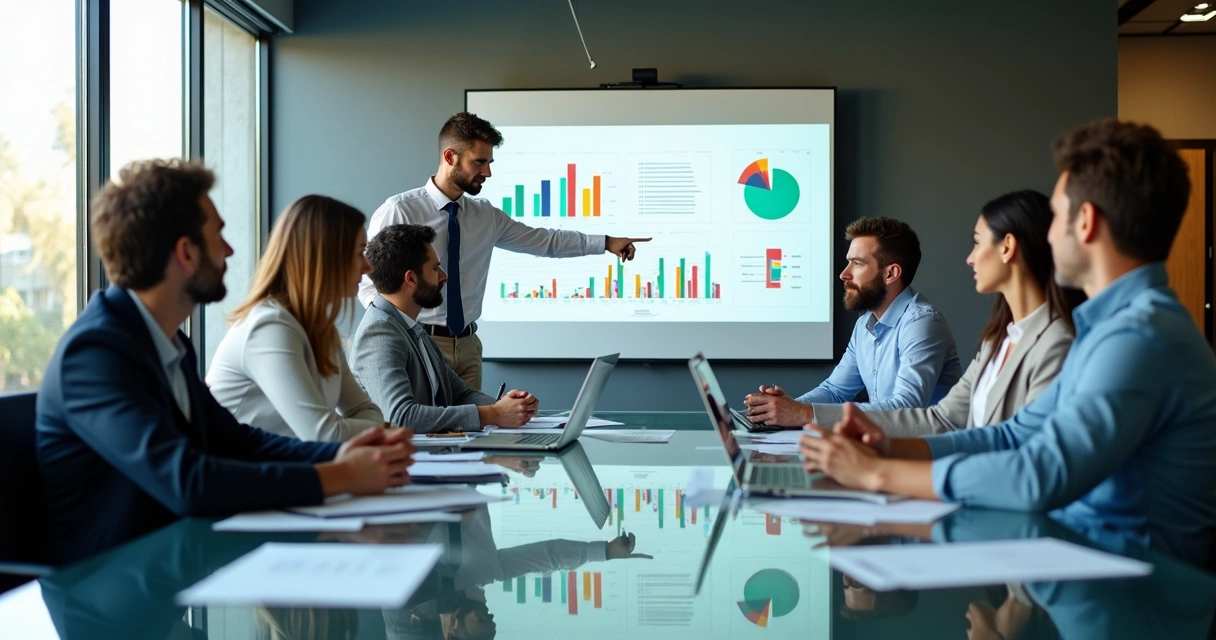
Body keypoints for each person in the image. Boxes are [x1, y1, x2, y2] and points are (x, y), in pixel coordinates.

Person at [799, 119, 1216, 567]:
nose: (1048, 236)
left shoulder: (1135, 337)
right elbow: (1013, 435)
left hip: (1137, 596)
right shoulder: (1111, 327)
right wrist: (885, 447)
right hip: (1093, 567)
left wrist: (877, 473)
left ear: (1087, 222)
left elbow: (1040, 473)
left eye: (1055, 216)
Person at [36, 160, 415, 566]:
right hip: (111, 594)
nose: (230, 250)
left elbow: (238, 441)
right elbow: (187, 480)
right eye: (217, 234)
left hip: (172, 567)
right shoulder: (95, 354)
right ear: (185, 252)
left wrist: (335, 458)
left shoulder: (165, 342)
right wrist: (339, 476)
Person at [357, 112, 651, 390]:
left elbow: (545, 241)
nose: (487, 172)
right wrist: (405, 335)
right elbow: (369, 286)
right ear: (450, 157)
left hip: (469, 347)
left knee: (469, 434)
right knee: (424, 432)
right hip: (421, 342)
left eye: (490, 162)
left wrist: (606, 242)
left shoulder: (486, 215)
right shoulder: (400, 210)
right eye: (479, 162)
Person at [811, 191, 1082, 435]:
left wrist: (880, 471)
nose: (970, 258)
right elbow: (945, 419)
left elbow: (1016, 450)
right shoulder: (996, 340)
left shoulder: (1056, 341)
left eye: (977, 243)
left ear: (1008, 247)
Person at [744, 217, 962, 427]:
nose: (844, 274)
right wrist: (784, 408)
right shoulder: (864, 325)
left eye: (857, 264)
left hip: (928, 456)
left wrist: (802, 413)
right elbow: (834, 391)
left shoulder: (921, 323)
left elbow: (906, 408)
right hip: (887, 448)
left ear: (891, 274)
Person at [207, 195, 388, 442]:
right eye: (359, 253)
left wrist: (362, 427)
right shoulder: (268, 327)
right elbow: (323, 434)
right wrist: (375, 429)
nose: (368, 267)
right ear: (324, 257)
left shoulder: (321, 331)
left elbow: (366, 412)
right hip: (240, 476)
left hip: (283, 471)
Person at [352, 224, 538, 433]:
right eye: (434, 268)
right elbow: (400, 417)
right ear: (411, 279)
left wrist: (511, 407)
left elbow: (460, 395)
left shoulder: (410, 327)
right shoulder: (380, 332)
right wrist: (494, 414)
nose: (443, 276)